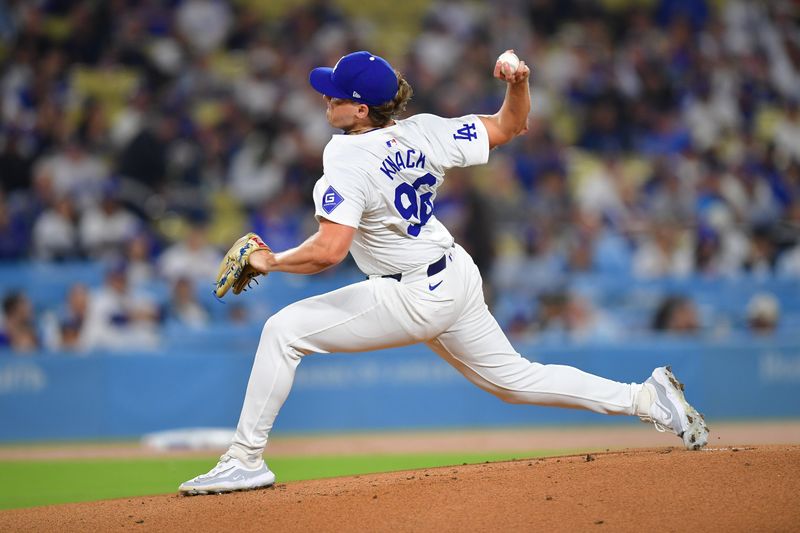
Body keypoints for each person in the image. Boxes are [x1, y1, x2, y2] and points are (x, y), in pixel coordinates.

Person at [179, 50, 709, 495]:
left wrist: (269, 260)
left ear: (360, 110)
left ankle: (246, 459)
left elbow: (328, 252)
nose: (327, 99)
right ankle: (647, 397)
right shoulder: (424, 131)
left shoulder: (346, 159)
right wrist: (519, 83)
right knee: (515, 380)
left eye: (336, 96)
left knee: (282, 331)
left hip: (411, 294)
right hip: (454, 274)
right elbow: (511, 124)